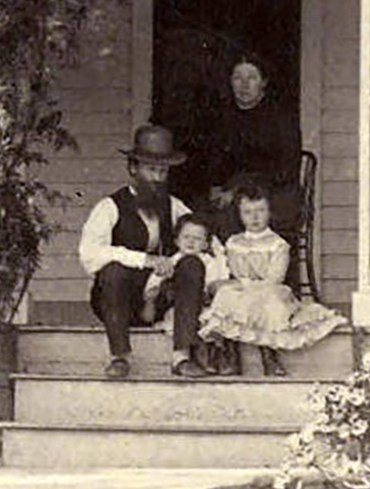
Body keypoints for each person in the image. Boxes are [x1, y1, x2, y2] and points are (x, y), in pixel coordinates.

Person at [78, 124, 224, 379]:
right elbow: (89, 253)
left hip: (160, 302)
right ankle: (119, 357)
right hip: (120, 300)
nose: (157, 178)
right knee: (112, 270)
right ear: (133, 168)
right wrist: (145, 260)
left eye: (163, 171)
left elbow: (210, 240)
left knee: (192, 264)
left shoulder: (174, 206)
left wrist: (217, 273)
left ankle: (181, 357)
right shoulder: (110, 206)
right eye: (151, 170)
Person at [198, 184, 346, 377]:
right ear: (240, 215)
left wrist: (245, 283)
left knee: (270, 299)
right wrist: (239, 283)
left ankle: (269, 355)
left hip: (268, 289)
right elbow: (233, 272)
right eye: (248, 212)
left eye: (260, 210)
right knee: (227, 295)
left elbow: (274, 279)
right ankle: (231, 355)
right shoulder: (234, 242)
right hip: (243, 291)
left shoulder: (277, 244)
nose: (254, 217)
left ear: (269, 212)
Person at [204, 55, 301, 246]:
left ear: (263, 82)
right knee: (203, 214)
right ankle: (220, 268)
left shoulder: (280, 118)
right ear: (230, 82)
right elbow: (216, 160)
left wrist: (239, 188)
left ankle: (244, 269)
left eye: (252, 77)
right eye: (238, 78)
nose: (244, 84)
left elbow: (285, 169)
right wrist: (216, 186)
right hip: (232, 192)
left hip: (276, 193)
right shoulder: (224, 116)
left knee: (234, 211)